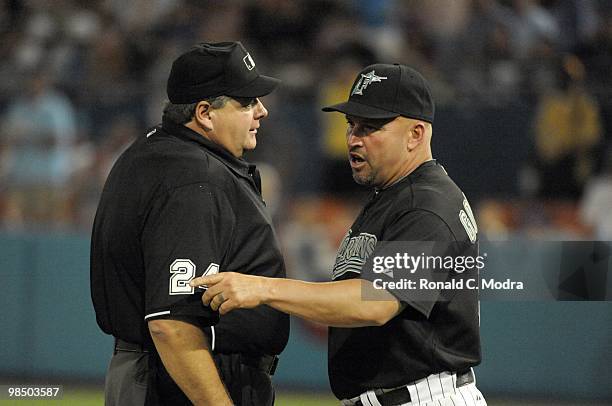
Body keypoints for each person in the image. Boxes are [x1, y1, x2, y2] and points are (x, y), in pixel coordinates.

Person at [191, 63, 487, 406]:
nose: (353, 139)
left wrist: (262, 288)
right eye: (352, 125)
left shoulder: (427, 204)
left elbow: (376, 301)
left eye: (371, 127)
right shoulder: (394, 195)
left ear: (416, 134)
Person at [90, 41, 290, 406]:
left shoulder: (157, 152)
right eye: (246, 102)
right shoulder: (194, 177)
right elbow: (172, 324)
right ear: (204, 113)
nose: (261, 110)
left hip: (158, 373)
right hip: (178, 382)